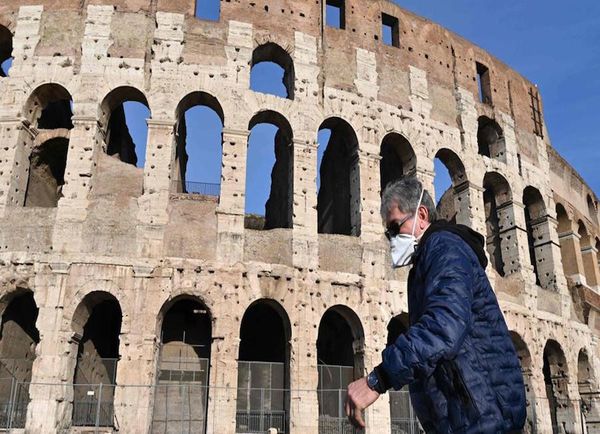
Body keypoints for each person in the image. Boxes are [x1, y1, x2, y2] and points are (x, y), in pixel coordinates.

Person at [345, 176, 526, 433]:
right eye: (389, 233)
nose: (392, 239)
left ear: (421, 214)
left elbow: (443, 326)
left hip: (483, 414)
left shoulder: (445, 249)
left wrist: (378, 379)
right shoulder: (428, 259)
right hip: (469, 413)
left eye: (396, 228)